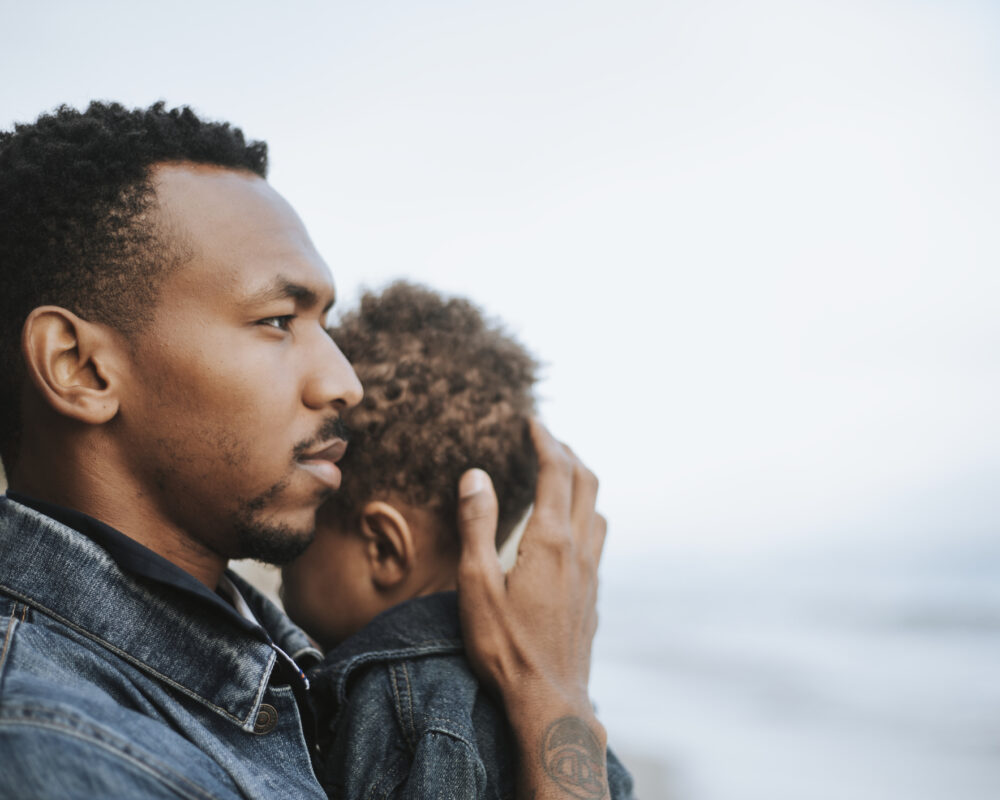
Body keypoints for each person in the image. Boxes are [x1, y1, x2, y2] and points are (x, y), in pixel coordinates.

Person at [0, 103, 609, 800]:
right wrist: (554, 706)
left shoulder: (285, 666)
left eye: (325, 322)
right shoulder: (53, 749)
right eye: (277, 321)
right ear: (80, 368)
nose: (346, 382)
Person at [281, 281, 634, 798]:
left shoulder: (398, 705)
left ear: (383, 547)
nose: (291, 544)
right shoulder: (551, 696)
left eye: (312, 507)